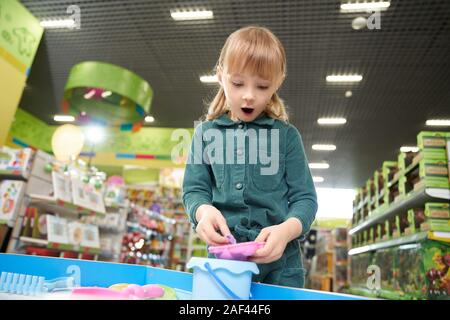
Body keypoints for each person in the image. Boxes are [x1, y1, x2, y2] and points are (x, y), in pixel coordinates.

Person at [182, 26, 318, 288]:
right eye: (237, 83)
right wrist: (202, 211)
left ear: (277, 83)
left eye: (262, 86)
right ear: (220, 76)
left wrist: (286, 230)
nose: (249, 95)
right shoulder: (205, 134)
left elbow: (305, 199)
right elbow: (193, 190)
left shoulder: (287, 137)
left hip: (281, 267)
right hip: (225, 264)